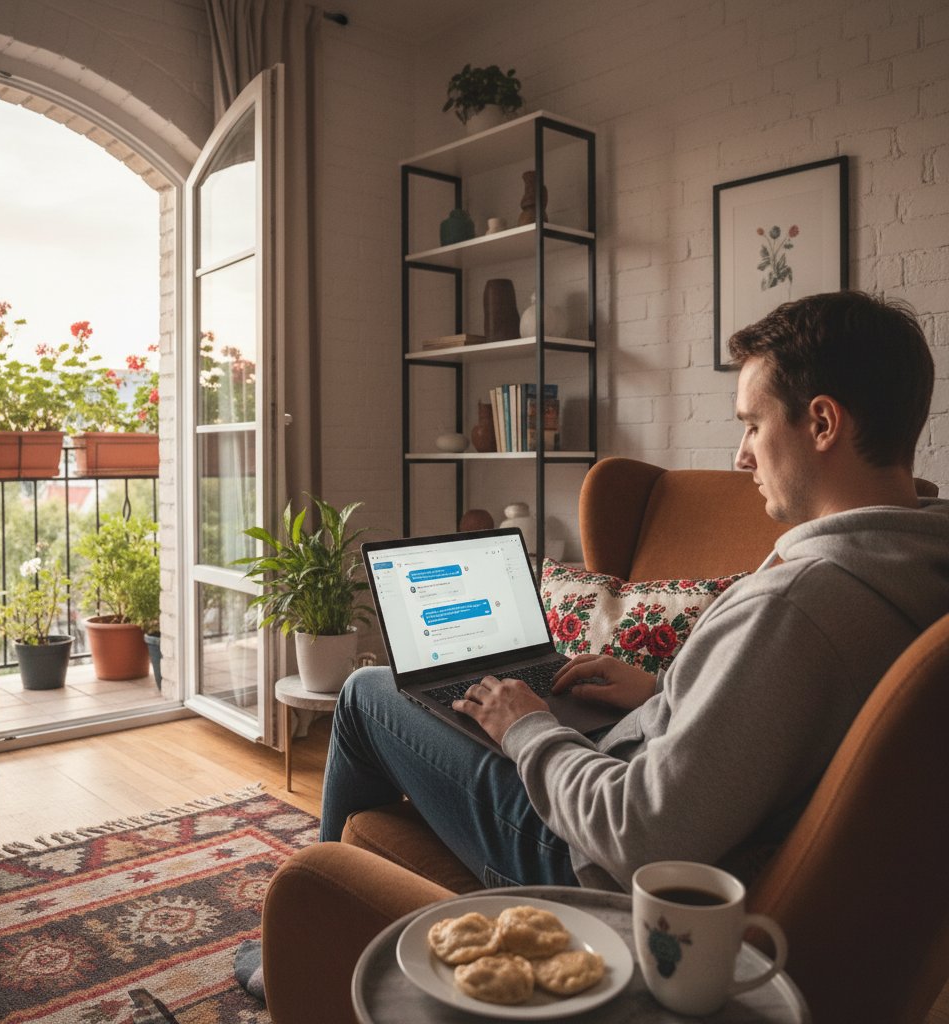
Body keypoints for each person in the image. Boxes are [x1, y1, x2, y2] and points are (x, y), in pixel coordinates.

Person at [319, 290, 949, 892]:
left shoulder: (793, 606)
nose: (741, 457)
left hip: (584, 861)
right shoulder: (914, 568)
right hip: (656, 795)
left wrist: (527, 729)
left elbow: (640, 835)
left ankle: (315, 912)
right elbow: (771, 723)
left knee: (366, 691)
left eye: (753, 425)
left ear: (822, 423)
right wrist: (663, 691)